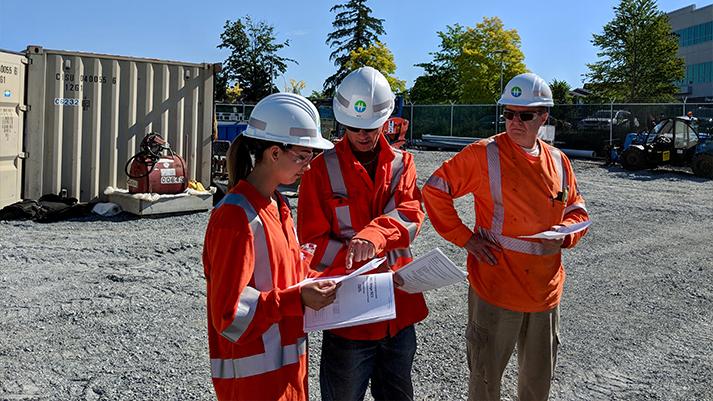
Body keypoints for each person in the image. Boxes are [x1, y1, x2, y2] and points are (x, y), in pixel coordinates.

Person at [422, 73, 590, 401]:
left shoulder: (559, 161)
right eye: (509, 114)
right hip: (496, 289)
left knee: (537, 383)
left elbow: (577, 210)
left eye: (524, 115)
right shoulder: (483, 154)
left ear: (544, 116)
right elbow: (435, 189)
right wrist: (465, 238)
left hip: (545, 292)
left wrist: (567, 237)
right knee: (485, 382)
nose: (514, 122)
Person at [297, 66, 428, 401]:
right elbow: (311, 242)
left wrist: (374, 235)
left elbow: (411, 215)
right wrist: (356, 262)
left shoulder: (402, 163)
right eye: (354, 127)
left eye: (371, 126)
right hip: (349, 317)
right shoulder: (319, 169)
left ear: (386, 119)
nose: (363, 134)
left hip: (397, 311)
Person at [202, 92, 339, 401]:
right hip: (254, 386)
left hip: (287, 379)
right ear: (274, 153)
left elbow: (288, 275)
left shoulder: (278, 204)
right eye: (303, 157)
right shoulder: (234, 218)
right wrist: (297, 299)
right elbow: (229, 316)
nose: (308, 166)